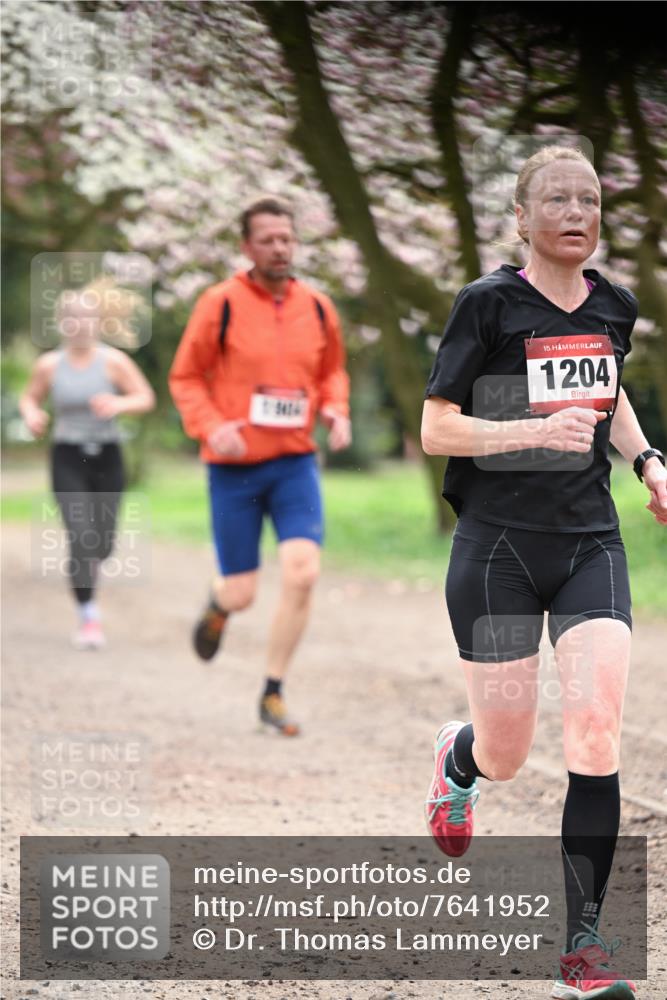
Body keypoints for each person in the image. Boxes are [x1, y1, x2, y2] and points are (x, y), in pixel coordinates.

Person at [421, 146, 666, 999]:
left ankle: (584, 947)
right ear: (521, 218)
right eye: (555, 199)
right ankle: (460, 760)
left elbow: (610, 395)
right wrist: (523, 433)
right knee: (508, 750)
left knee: (594, 732)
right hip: (497, 550)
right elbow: (435, 429)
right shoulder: (486, 305)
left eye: (589, 199)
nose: (575, 211)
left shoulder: (614, 306)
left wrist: (645, 462)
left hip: (589, 543)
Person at [168, 196, 351, 737]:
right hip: (235, 469)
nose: (279, 248)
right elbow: (185, 378)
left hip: (294, 463)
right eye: (267, 239)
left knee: (303, 573)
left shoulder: (318, 307)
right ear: (247, 247)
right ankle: (219, 604)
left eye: (287, 238)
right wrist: (210, 426)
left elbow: (331, 372)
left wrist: (335, 410)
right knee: (243, 592)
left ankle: (272, 691)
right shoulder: (218, 303)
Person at [20, 277, 156, 649]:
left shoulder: (113, 362)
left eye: (87, 316)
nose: (80, 323)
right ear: (62, 321)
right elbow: (29, 399)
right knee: (81, 536)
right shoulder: (49, 365)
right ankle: (88, 617)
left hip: (108, 456)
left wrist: (119, 404)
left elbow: (145, 397)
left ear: (98, 322)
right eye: (73, 316)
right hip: (67, 456)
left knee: (104, 543)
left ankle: (90, 569)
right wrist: (32, 415)